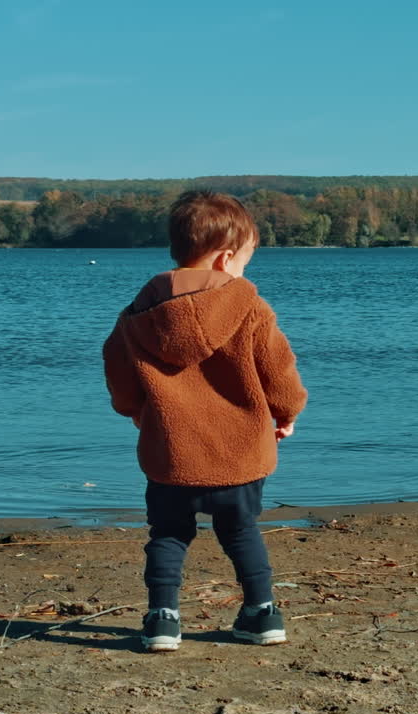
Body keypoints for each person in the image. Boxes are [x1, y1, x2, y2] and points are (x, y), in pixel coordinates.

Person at [102, 190, 308, 652]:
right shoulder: (249, 307)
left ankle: (162, 619)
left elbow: (117, 371)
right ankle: (261, 612)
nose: (243, 272)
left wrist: (134, 410)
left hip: (171, 452)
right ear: (225, 258)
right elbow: (278, 368)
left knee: (169, 534)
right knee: (241, 530)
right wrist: (286, 411)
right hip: (240, 453)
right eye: (244, 262)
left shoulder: (138, 314)